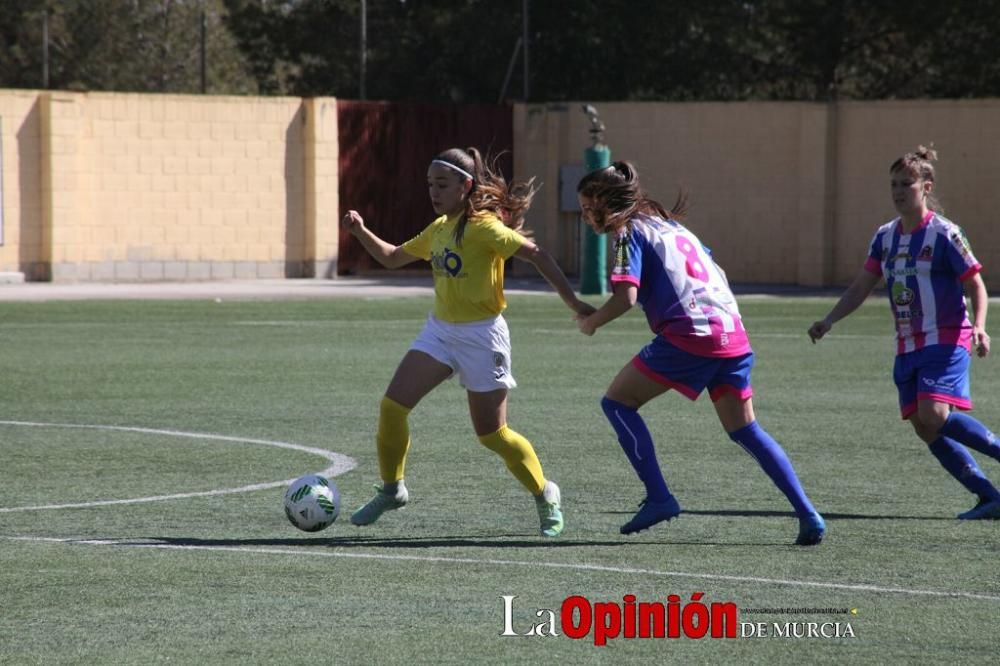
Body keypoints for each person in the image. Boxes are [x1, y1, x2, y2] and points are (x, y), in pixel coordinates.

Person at [340, 146, 595, 536]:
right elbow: (391, 257)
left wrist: (573, 301)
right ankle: (393, 489)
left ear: (466, 185)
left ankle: (545, 494)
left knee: (493, 435)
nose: (433, 192)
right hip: (440, 331)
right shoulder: (439, 229)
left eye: (442, 184)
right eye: (430, 184)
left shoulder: (484, 228)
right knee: (392, 407)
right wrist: (360, 231)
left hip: (482, 336)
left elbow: (537, 255)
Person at [574, 161, 825, 545]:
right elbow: (714, 269)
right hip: (733, 335)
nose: (585, 216)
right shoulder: (675, 228)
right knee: (746, 430)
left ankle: (659, 497)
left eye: (587, 207)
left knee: (618, 404)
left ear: (604, 203)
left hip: (690, 336)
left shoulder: (629, 231)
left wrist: (592, 322)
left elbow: (626, 296)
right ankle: (808, 513)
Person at [808, 145, 1000, 520]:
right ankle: (989, 496)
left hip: (946, 337)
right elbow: (861, 286)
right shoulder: (885, 237)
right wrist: (829, 320)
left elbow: (975, 284)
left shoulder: (945, 234)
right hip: (908, 344)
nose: (898, 191)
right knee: (924, 427)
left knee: (935, 413)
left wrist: (980, 327)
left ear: (926, 187)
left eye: (906, 184)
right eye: (894, 184)